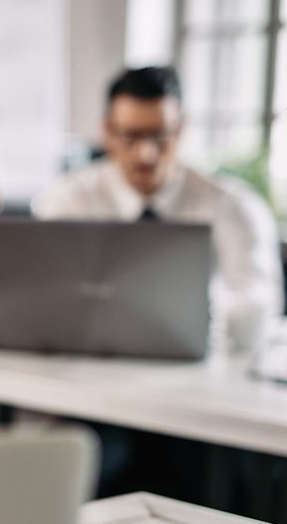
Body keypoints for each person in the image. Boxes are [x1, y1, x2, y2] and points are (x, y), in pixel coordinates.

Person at [33, 66, 283, 352]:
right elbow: (46, 298)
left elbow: (259, 312)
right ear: (107, 132)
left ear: (181, 130)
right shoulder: (67, 200)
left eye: (160, 136)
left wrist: (191, 315)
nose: (146, 154)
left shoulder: (234, 206)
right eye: (131, 136)